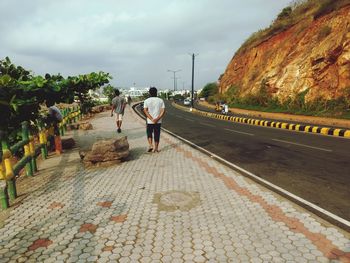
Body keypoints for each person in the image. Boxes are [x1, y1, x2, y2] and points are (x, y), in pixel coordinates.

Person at [143, 87, 165, 153]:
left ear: (149, 93)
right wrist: (157, 118)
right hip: (158, 121)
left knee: (149, 133)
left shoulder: (146, 101)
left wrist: (151, 119)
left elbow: (145, 110)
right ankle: (156, 148)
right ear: (156, 92)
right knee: (157, 134)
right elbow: (163, 111)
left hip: (150, 121)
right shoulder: (160, 100)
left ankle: (150, 145)